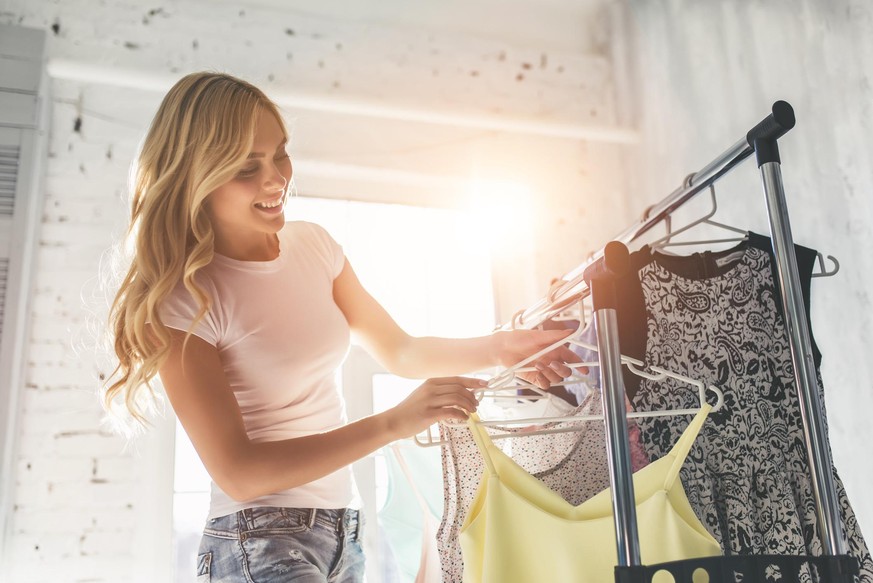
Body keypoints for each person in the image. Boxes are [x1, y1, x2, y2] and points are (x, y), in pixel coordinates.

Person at [102, 71, 579, 583]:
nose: (276, 180)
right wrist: (394, 422)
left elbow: (401, 351)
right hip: (255, 543)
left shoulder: (315, 247)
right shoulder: (185, 300)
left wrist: (506, 348)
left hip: (341, 533)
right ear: (198, 175)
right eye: (247, 167)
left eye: (280, 154)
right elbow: (239, 473)